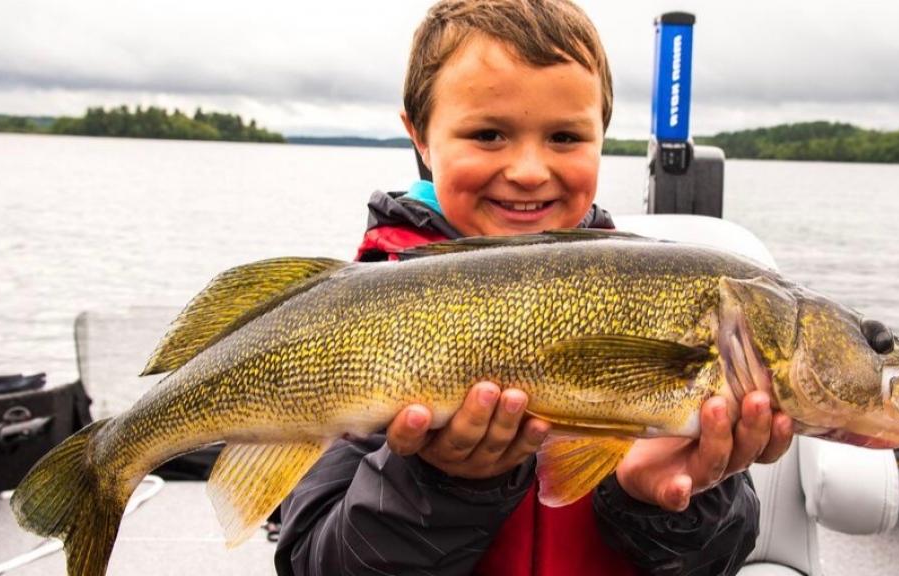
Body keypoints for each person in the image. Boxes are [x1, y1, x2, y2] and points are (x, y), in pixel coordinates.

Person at [276, 1, 793, 574]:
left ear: (602, 135)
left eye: (565, 137)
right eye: (489, 133)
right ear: (419, 136)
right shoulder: (356, 321)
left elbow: (720, 557)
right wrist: (439, 482)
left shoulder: (664, 312)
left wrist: (670, 498)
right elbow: (312, 562)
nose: (528, 169)